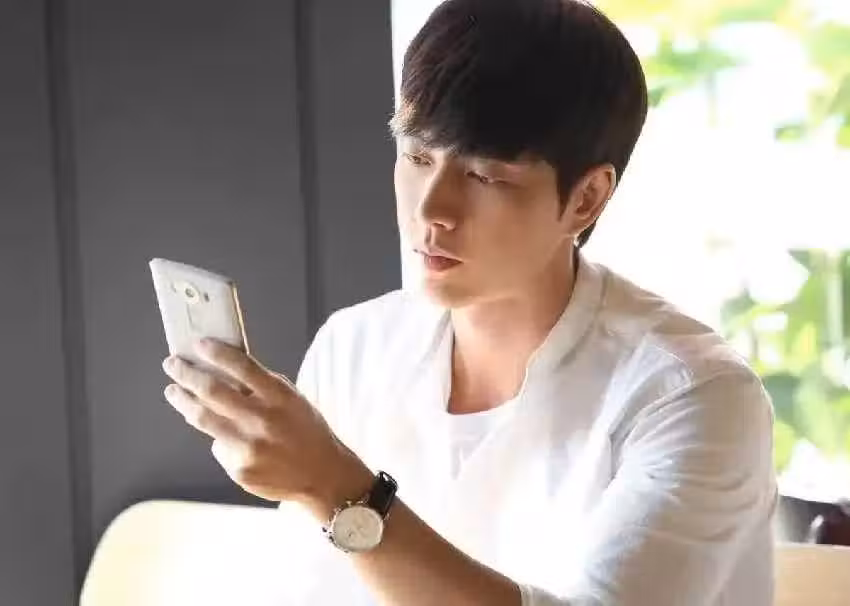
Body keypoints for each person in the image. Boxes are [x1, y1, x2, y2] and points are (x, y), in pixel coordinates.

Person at [161, 0, 777, 604]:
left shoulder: (692, 395)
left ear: (586, 199)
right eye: (417, 157)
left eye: (485, 176)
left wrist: (335, 484)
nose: (432, 208)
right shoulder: (355, 346)